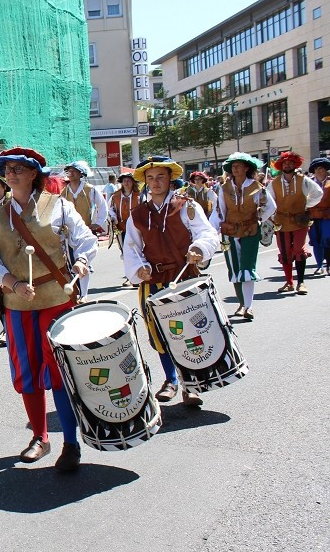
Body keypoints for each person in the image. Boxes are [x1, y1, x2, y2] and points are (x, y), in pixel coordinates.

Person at [0, 147, 95, 472]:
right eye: (8, 169)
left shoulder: (57, 206)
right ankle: (40, 438)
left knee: (57, 368)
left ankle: (70, 443)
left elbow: (85, 239)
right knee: (26, 369)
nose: (12, 173)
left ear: (33, 174)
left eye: (19, 169)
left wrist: (83, 260)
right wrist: (11, 284)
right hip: (18, 301)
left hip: (57, 296)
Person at [124, 158, 218, 407]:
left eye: (161, 177)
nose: (156, 183)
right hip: (153, 281)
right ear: (145, 181)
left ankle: (191, 384)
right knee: (160, 334)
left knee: (188, 332)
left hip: (184, 277)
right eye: (151, 178)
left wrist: (198, 248)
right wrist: (138, 268)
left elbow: (207, 233)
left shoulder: (186, 207)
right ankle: (171, 380)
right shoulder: (137, 214)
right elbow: (131, 247)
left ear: (170, 179)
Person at [209, 152, 276, 320]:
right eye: (233, 166)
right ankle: (241, 304)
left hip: (250, 231)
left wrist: (259, 219)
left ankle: (248, 306)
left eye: (239, 165)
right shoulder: (223, 188)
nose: (235, 168)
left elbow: (271, 206)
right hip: (230, 232)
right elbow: (219, 212)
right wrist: (212, 231)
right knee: (235, 269)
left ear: (247, 168)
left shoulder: (256, 187)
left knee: (247, 268)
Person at [267, 152, 323, 295]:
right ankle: (289, 282)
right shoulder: (274, 183)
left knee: (298, 249)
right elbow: (270, 202)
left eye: (290, 163)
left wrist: (306, 206)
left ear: (295, 165)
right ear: (281, 166)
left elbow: (318, 193)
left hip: (299, 220)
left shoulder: (304, 180)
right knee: (285, 252)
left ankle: (301, 282)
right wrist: (271, 216)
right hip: (281, 221)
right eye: (285, 163)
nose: (287, 165)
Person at [61, 160, 107, 298]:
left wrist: (98, 223)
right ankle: (77, 292)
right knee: (71, 263)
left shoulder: (90, 189)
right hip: (69, 233)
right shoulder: (65, 191)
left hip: (85, 231)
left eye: (74, 171)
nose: (71, 173)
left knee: (82, 260)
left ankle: (84, 294)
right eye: (69, 171)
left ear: (81, 173)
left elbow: (102, 206)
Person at [109, 170, 139, 288]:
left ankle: (138, 275)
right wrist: (113, 217)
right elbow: (110, 209)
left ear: (132, 182)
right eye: (124, 180)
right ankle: (129, 276)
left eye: (129, 180)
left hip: (136, 229)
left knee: (137, 252)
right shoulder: (115, 196)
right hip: (121, 228)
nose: (126, 182)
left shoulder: (139, 196)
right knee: (125, 252)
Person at [309, 157, 330, 276]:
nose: (319, 171)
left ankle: (329, 264)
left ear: (326, 169)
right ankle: (319, 266)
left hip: (327, 215)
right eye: (316, 168)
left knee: (327, 238)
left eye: (321, 168)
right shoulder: (309, 183)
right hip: (312, 215)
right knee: (315, 240)